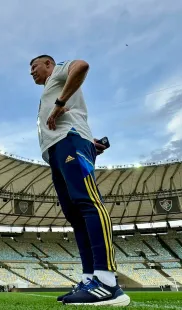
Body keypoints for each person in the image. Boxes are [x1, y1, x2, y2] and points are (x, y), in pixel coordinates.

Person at [30, 55, 130, 307]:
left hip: (70, 141)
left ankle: (107, 282)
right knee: (75, 215)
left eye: (34, 66)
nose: (31, 72)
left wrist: (60, 102)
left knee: (88, 203)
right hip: (57, 148)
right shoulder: (48, 89)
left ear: (49, 65)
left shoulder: (59, 72)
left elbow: (82, 65)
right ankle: (89, 279)